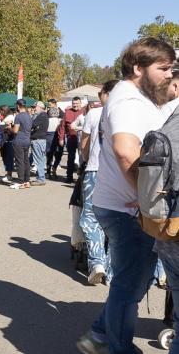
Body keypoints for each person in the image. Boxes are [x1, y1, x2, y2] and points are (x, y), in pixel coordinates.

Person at [77, 38, 176, 354]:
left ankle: (100, 333)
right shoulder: (129, 102)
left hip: (124, 206)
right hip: (127, 210)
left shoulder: (132, 96)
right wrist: (146, 197)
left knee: (134, 280)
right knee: (129, 286)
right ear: (138, 68)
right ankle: (115, 346)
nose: (168, 74)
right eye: (162, 68)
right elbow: (124, 150)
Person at [78, 80, 118, 286]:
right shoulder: (127, 114)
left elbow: (84, 143)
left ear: (105, 94)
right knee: (116, 222)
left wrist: (86, 159)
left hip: (94, 171)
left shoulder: (94, 114)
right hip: (119, 175)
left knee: (90, 218)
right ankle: (112, 272)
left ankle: (97, 262)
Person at [58, 96, 83, 183]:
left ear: (80, 104)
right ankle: (69, 176)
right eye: (74, 103)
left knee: (82, 158)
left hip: (82, 138)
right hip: (71, 138)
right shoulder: (68, 112)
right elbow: (62, 126)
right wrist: (61, 138)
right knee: (71, 158)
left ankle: (81, 178)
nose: (75, 105)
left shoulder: (83, 112)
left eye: (77, 103)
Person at [9, 100, 33, 189]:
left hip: (19, 141)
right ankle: (27, 181)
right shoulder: (29, 116)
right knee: (26, 161)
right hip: (27, 140)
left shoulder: (18, 116)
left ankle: (21, 181)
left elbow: (15, 131)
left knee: (20, 161)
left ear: (18, 106)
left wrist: (9, 128)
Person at [30, 101, 49, 186]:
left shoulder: (42, 115)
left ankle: (41, 178)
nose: (34, 109)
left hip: (38, 140)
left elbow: (32, 124)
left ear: (40, 107)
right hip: (39, 140)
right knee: (40, 160)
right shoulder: (43, 115)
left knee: (39, 160)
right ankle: (40, 177)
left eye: (35, 107)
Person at [46, 99, 65, 178]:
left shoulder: (47, 120)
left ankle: (48, 171)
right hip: (58, 137)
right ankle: (54, 168)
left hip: (49, 137)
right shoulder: (60, 120)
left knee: (49, 155)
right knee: (58, 155)